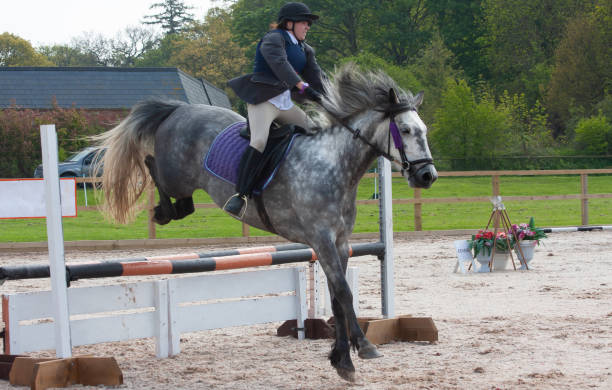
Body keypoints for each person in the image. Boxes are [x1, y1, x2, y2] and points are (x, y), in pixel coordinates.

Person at [225, 2, 325, 217]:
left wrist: (332, 98)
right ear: (289, 23)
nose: (308, 26)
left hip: (285, 104)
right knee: (259, 140)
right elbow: (280, 65)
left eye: (309, 23)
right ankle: (240, 195)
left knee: (316, 132)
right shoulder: (273, 39)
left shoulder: (305, 49)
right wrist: (303, 87)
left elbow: (318, 78)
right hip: (263, 102)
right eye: (304, 22)